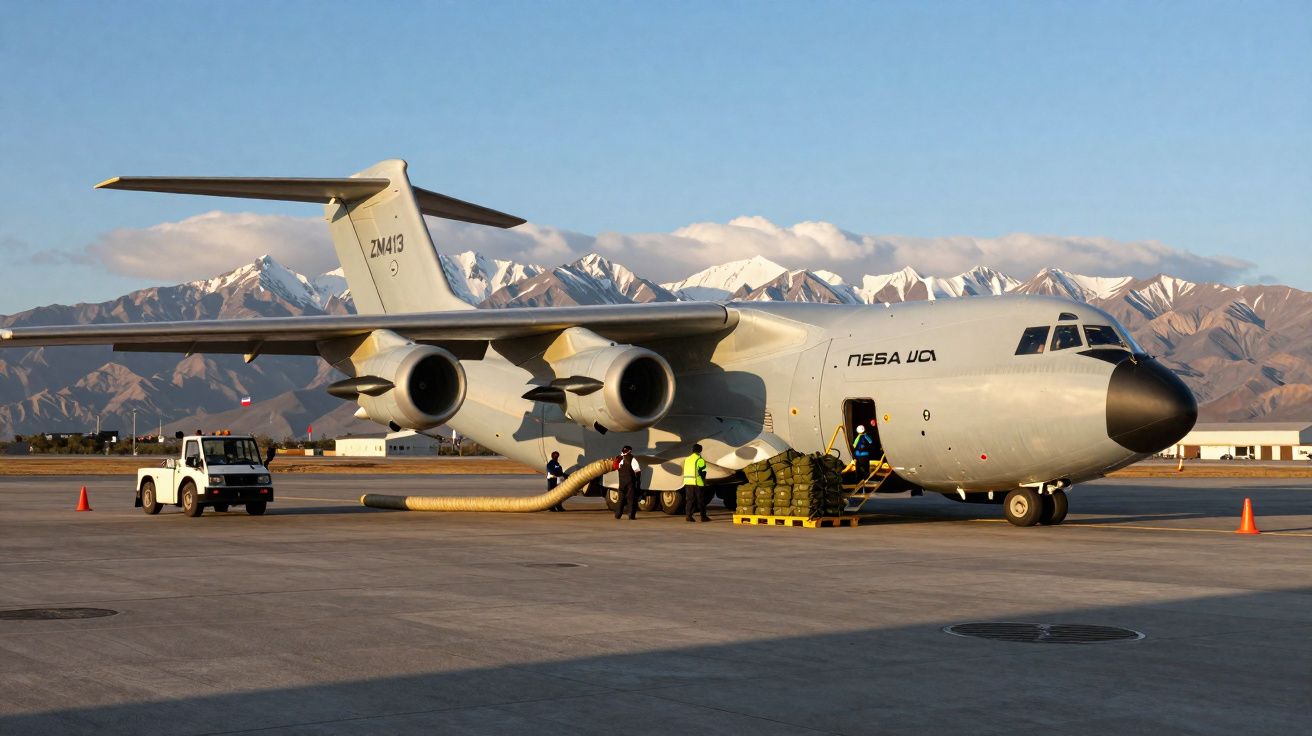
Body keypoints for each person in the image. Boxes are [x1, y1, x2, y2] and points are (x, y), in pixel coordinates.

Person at [683, 443, 710, 522]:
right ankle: (703, 517)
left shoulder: (687, 459)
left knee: (689, 500)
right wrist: (704, 481)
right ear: (700, 450)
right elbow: (703, 472)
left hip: (688, 482)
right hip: (697, 483)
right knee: (701, 500)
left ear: (692, 450)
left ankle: (688, 516)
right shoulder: (700, 459)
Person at [614, 445, 641, 520]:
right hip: (630, 482)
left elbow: (616, 467)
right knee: (631, 499)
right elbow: (637, 471)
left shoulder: (618, 458)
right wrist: (638, 481)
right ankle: (631, 515)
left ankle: (618, 515)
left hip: (621, 482)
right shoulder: (632, 458)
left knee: (620, 499)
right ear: (630, 451)